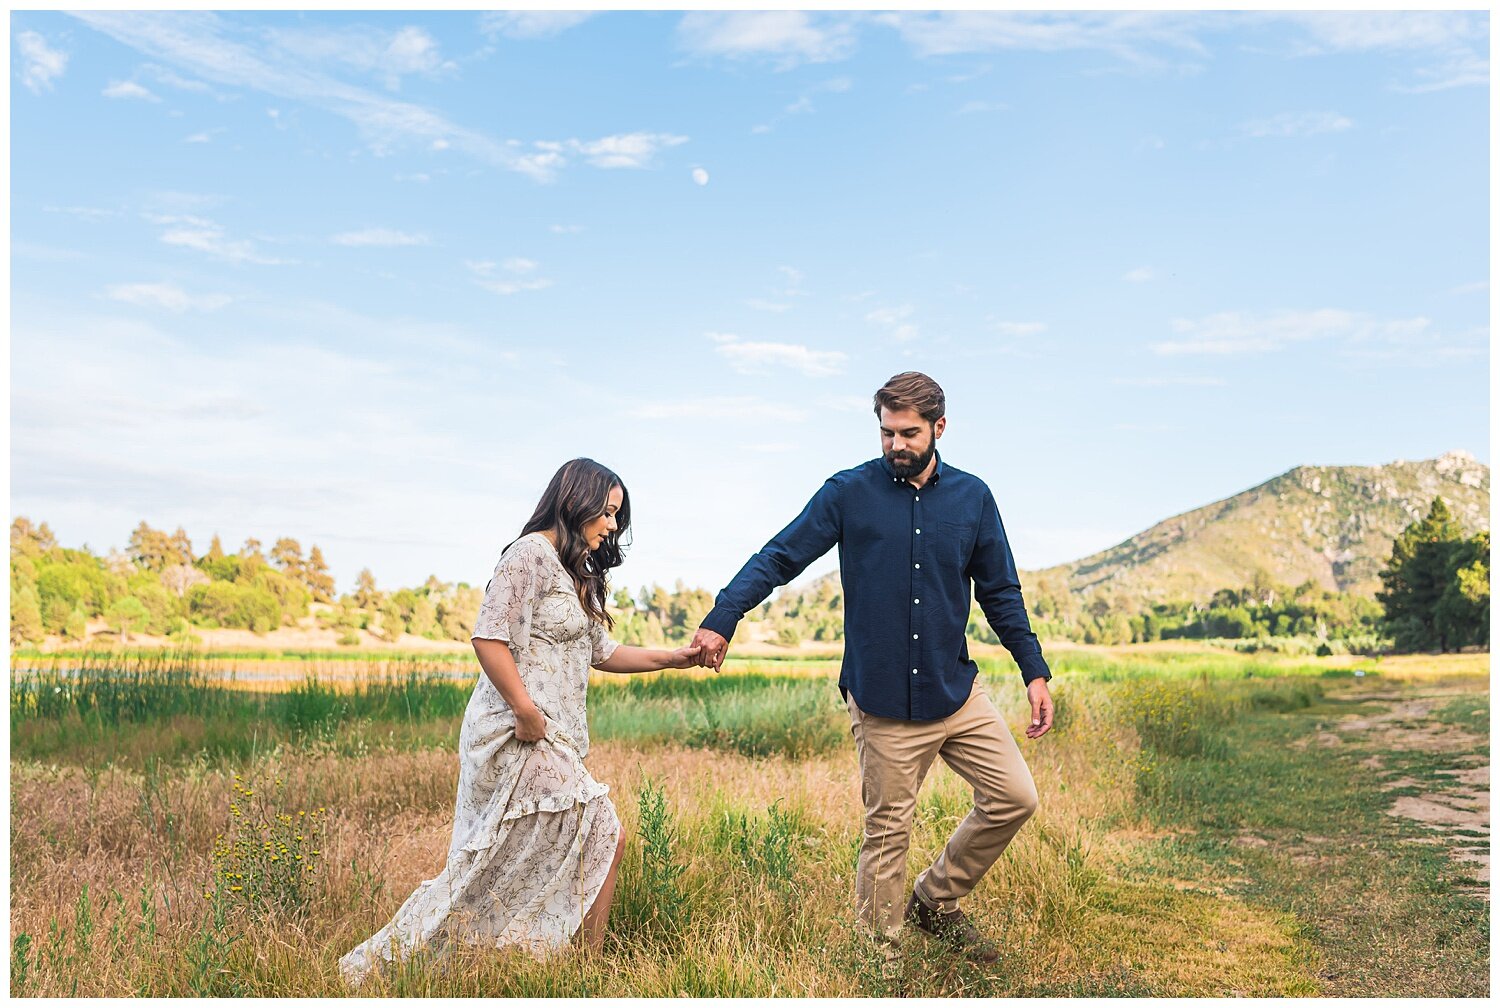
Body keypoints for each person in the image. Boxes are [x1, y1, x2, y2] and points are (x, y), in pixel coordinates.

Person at [690, 371, 1054, 964]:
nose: (896, 445)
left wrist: (1033, 671)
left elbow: (1001, 593)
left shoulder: (973, 499)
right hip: (882, 696)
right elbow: (780, 556)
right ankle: (877, 961)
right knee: (888, 832)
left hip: (955, 691)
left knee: (1014, 796)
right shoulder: (848, 492)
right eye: (886, 432)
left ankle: (936, 899)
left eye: (909, 433)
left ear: (940, 428)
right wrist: (723, 615)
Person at [339, 458, 700, 985]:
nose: (613, 526)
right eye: (607, 512)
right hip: (514, 732)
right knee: (604, 829)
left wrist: (672, 658)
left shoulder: (574, 571)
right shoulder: (528, 554)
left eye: (618, 516)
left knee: (511, 858)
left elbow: (605, 651)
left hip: (553, 736)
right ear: (575, 501)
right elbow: (489, 638)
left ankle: (512, 961)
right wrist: (526, 712)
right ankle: (584, 971)